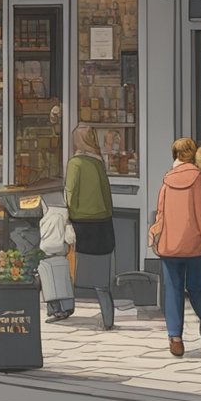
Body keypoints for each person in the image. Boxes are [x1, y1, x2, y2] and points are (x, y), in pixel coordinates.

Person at [149, 137, 201, 358]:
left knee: (174, 290)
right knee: (197, 288)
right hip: (195, 243)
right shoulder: (199, 178)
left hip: (170, 244)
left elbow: (161, 212)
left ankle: (175, 338)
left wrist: (156, 235)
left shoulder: (167, 179)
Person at [65, 125, 115, 331]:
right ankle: (108, 317)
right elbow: (107, 194)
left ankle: (64, 308)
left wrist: (68, 214)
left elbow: (70, 192)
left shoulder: (75, 163)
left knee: (70, 271)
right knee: (101, 278)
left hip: (81, 223)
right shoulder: (98, 163)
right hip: (103, 223)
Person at [38, 199, 76, 323]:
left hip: (48, 250)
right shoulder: (64, 200)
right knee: (62, 281)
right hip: (61, 249)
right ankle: (65, 308)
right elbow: (70, 238)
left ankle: (57, 310)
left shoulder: (43, 198)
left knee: (50, 282)